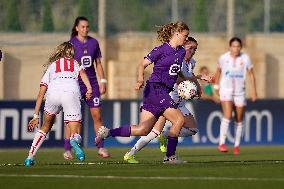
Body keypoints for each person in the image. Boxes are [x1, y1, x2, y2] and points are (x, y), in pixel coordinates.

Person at [96, 21, 191, 164]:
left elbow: (176, 73)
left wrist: (191, 82)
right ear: (177, 34)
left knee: (143, 130)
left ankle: (108, 132)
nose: (187, 39)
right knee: (179, 120)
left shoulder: (181, 51)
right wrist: (140, 79)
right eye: (185, 35)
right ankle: (170, 157)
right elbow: (142, 64)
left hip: (161, 92)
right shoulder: (161, 49)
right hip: (155, 89)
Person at [122, 37, 213, 163]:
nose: (192, 51)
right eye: (190, 48)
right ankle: (131, 153)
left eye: (195, 49)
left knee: (193, 130)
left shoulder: (192, 62)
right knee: (154, 131)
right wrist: (196, 78)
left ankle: (165, 136)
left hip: (180, 102)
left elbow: (189, 76)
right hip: (168, 99)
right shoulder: (177, 60)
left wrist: (198, 88)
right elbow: (177, 79)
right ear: (183, 47)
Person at [24, 42, 92, 167]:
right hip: (71, 91)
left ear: (59, 52)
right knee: (75, 130)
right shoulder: (75, 63)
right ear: (71, 52)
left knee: (45, 126)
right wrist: (89, 89)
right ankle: (73, 140)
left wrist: (35, 116)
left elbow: (41, 94)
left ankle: (30, 157)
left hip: (53, 93)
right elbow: (83, 74)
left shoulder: (52, 66)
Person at [70, 16, 110, 158]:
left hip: (92, 84)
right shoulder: (71, 44)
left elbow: (98, 63)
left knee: (97, 116)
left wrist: (103, 81)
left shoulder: (94, 42)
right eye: (82, 27)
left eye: (87, 27)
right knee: (74, 118)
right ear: (76, 28)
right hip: (76, 84)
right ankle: (69, 148)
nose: (85, 29)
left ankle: (101, 147)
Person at [214, 37, 257, 155]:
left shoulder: (245, 58)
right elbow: (217, 72)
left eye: (238, 46)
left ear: (241, 47)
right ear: (230, 47)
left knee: (239, 119)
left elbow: (251, 75)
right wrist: (216, 86)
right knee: (227, 115)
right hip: (226, 90)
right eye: (233, 46)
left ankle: (236, 145)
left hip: (240, 91)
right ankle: (221, 143)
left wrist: (254, 91)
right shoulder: (223, 58)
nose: (236, 48)